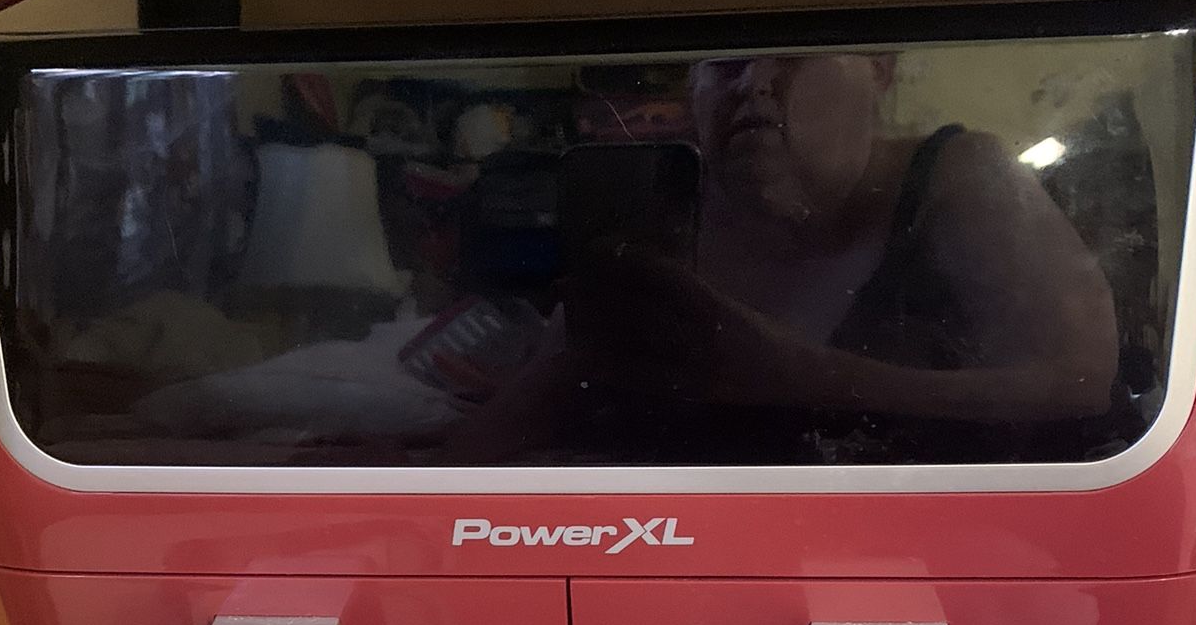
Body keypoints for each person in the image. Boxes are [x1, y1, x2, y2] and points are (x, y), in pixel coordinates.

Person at [457, 50, 1122, 464]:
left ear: (880, 68)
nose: (755, 82)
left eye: (792, 53)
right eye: (724, 63)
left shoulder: (958, 175)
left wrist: (797, 374)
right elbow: (548, 389)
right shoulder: (665, 212)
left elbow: (1083, 385)